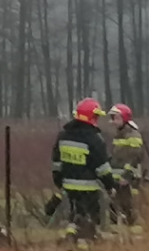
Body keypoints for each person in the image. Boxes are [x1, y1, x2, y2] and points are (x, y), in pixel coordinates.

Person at [51, 98, 116, 250]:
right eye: (96, 117)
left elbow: (56, 161)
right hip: (88, 188)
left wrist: (58, 180)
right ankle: (85, 244)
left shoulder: (63, 135)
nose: (97, 120)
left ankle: (71, 238)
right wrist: (110, 185)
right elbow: (102, 167)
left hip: (68, 186)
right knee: (91, 219)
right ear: (91, 117)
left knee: (75, 215)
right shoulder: (94, 138)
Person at [106, 103, 144, 233]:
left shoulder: (132, 135)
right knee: (114, 207)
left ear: (124, 118)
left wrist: (127, 176)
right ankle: (117, 235)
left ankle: (134, 235)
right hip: (118, 178)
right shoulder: (120, 134)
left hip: (129, 179)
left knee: (128, 207)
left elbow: (135, 157)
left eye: (115, 118)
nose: (113, 122)